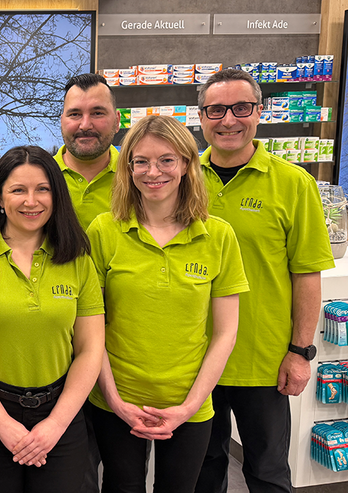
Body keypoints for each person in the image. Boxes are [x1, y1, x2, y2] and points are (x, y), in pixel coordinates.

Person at [85, 115, 249, 493]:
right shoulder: (103, 231)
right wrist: (115, 399)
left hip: (188, 403)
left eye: (166, 160)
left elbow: (226, 332)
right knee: (121, 487)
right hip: (116, 400)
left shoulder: (218, 236)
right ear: (128, 168)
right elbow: (90, 329)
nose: (152, 171)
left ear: (187, 164)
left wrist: (189, 407)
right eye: (140, 161)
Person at [192, 69, 335, 493]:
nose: (228, 120)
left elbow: (307, 273)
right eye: (216, 109)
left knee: (268, 471)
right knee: (202, 469)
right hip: (195, 356)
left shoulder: (293, 183)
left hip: (264, 361)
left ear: (260, 112)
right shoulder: (181, 178)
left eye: (241, 108)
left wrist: (300, 352)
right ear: (200, 116)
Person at [0, 145, 105, 493]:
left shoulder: (77, 260)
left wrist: (55, 425)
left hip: (60, 416)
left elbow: (91, 350)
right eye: (18, 190)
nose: (31, 201)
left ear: (56, 196)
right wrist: (4, 425)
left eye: (42, 189)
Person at [57, 73, 122, 229]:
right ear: (62, 121)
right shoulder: (39, 177)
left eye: (97, 113)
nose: (85, 125)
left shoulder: (139, 177)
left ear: (117, 120)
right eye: (75, 114)